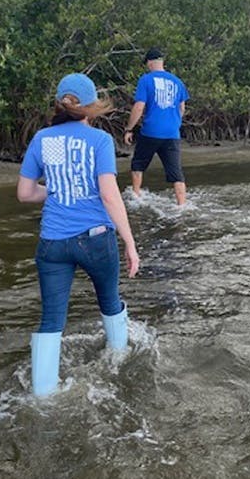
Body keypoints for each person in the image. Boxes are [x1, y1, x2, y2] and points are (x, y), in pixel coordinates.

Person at [17, 73, 140, 398]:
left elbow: (25, 194)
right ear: (90, 108)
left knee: (51, 320)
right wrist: (129, 242)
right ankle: (118, 361)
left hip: (52, 244)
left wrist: (58, 190)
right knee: (110, 302)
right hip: (96, 239)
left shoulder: (42, 139)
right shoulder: (99, 142)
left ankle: (42, 396)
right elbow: (109, 195)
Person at [123, 48, 189, 205]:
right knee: (176, 173)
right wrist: (175, 124)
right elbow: (182, 108)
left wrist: (129, 129)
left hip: (151, 132)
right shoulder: (178, 82)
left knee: (138, 164)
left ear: (150, 63)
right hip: (172, 133)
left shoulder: (146, 80)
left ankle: (136, 196)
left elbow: (139, 107)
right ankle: (182, 205)